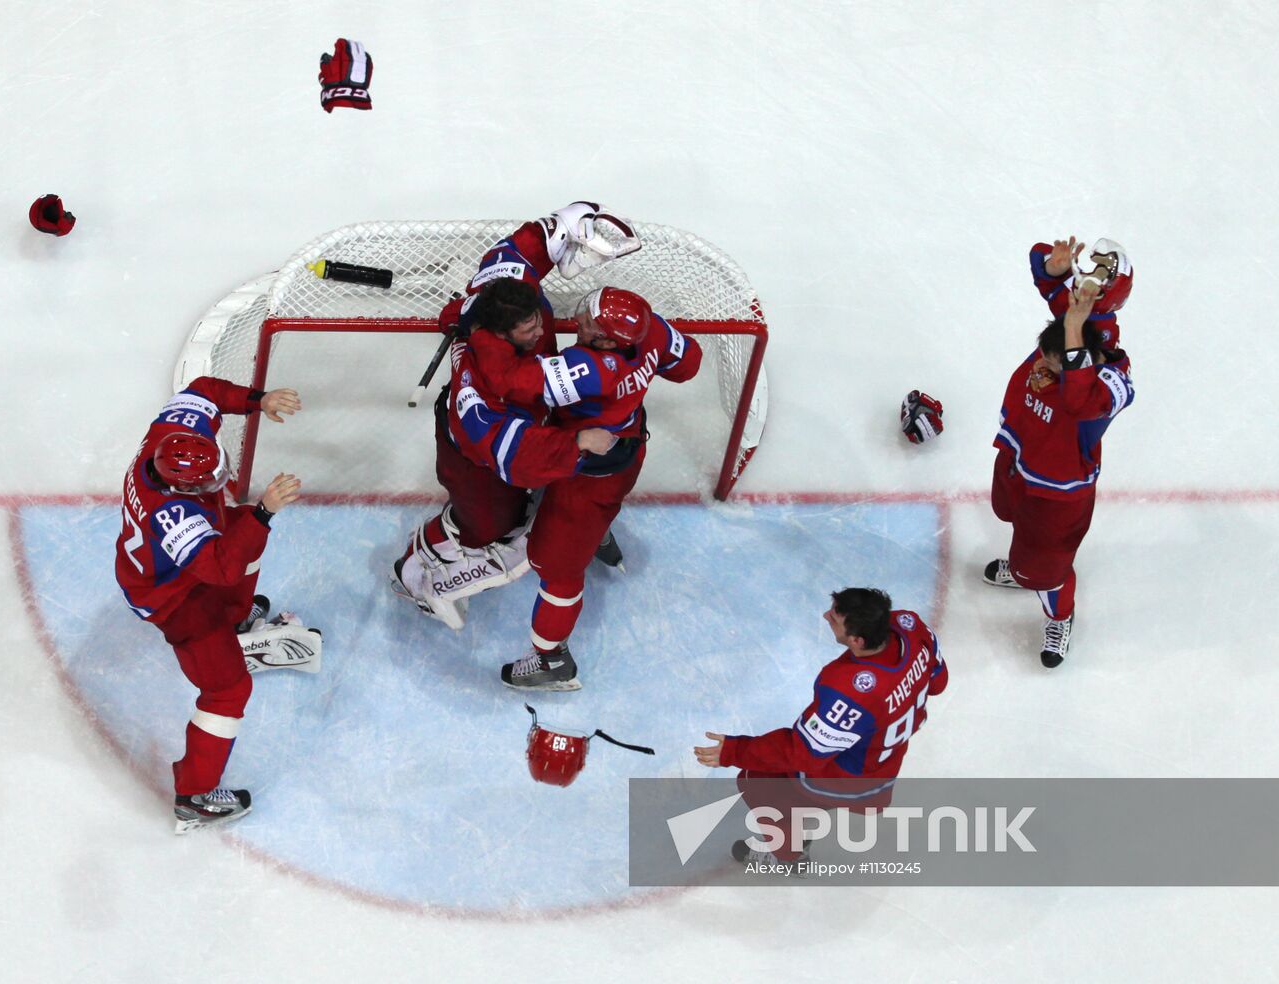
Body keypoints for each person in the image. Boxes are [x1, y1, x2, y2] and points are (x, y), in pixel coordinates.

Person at [390, 203, 638, 629]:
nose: (542, 332)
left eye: (537, 320)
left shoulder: (505, 295)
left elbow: (522, 249)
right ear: (501, 334)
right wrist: (576, 443)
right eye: (530, 332)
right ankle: (414, 566)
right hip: (475, 460)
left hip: (519, 422)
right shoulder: (484, 393)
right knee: (485, 528)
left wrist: (570, 221)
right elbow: (516, 455)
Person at [486, 286, 703, 690]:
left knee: (556, 569)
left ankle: (552, 660)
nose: (580, 317)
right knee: (604, 503)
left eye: (588, 320)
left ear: (605, 341)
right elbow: (688, 362)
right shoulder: (649, 328)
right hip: (627, 446)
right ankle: (598, 536)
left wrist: (478, 336)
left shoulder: (591, 368)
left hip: (585, 479)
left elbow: (510, 382)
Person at [115, 376, 305, 832]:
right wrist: (264, 512)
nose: (220, 481)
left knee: (237, 527)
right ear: (181, 488)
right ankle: (194, 795)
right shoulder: (173, 515)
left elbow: (203, 390)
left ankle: (236, 620)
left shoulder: (172, 438)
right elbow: (219, 568)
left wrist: (256, 400)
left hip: (182, 569)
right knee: (227, 691)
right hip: (172, 598)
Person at [694, 588, 947, 865]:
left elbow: (802, 753)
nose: (826, 616)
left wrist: (734, 750)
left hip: (851, 779)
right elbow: (938, 682)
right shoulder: (910, 626)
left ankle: (790, 857)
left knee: (754, 781)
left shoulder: (850, 690)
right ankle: (805, 816)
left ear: (857, 640)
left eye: (835, 619)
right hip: (881, 763)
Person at [984, 237, 1136, 667]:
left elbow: (1076, 399)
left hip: (1057, 494)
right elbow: (1044, 275)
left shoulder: (1109, 379)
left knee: (1045, 570)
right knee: (1007, 513)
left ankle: (1058, 611)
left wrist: (1072, 326)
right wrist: (1054, 268)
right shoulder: (1083, 321)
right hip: (1019, 455)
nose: (1043, 362)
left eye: (1104, 271)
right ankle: (1024, 563)